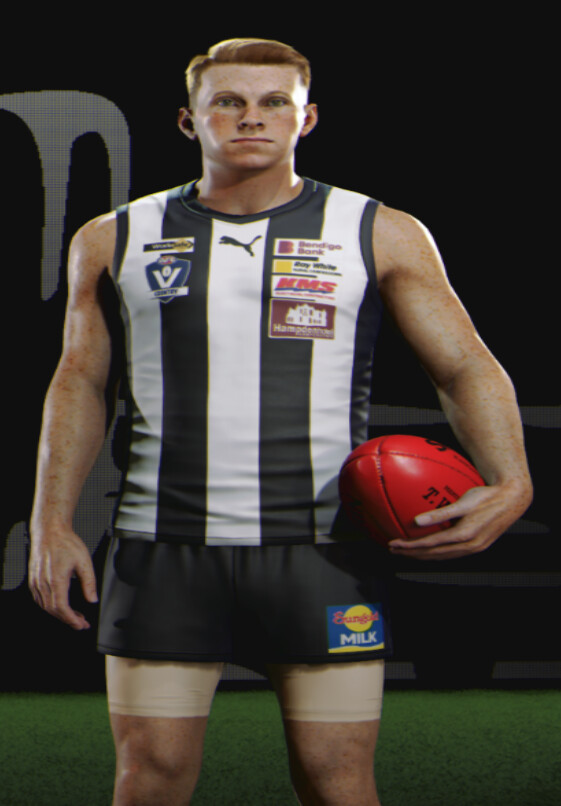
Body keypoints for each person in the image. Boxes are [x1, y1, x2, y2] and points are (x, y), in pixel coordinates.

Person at [29, 38, 532, 806]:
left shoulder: (377, 230)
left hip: (322, 551)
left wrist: (511, 480)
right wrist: (51, 522)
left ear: (307, 118)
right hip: (164, 549)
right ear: (189, 120)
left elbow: (463, 365)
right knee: (150, 778)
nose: (250, 118)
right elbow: (79, 381)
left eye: (273, 102)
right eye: (227, 102)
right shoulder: (114, 236)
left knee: (337, 780)